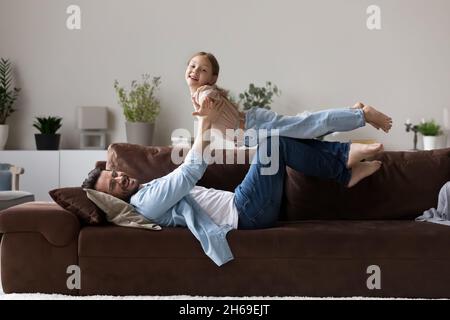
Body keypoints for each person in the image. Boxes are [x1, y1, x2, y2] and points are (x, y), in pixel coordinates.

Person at [82, 99, 385, 266]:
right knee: (272, 143)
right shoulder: (144, 202)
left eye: (117, 174)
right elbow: (189, 171)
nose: (121, 177)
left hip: (245, 204)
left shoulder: (147, 190)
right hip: (246, 212)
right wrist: (204, 123)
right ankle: (343, 163)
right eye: (113, 184)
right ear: (113, 200)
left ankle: (344, 168)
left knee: (274, 139)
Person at [186, 51, 393, 146]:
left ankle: (362, 114)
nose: (195, 71)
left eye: (203, 69)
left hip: (253, 128)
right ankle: (352, 111)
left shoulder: (205, 93)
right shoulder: (197, 95)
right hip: (252, 125)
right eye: (192, 65)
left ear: (212, 78)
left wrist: (206, 100)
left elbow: (209, 95)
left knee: (308, 125)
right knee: (307, 127)